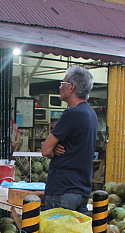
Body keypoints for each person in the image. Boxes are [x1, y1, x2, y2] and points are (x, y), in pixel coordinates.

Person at [41, 66, 98, 215]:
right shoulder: (91, 114)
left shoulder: (71, 114)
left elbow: (45, 150)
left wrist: (53, 151)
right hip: (82, 190)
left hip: (63, 188)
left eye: (63, 83)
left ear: (71, 87)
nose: (60, 87)